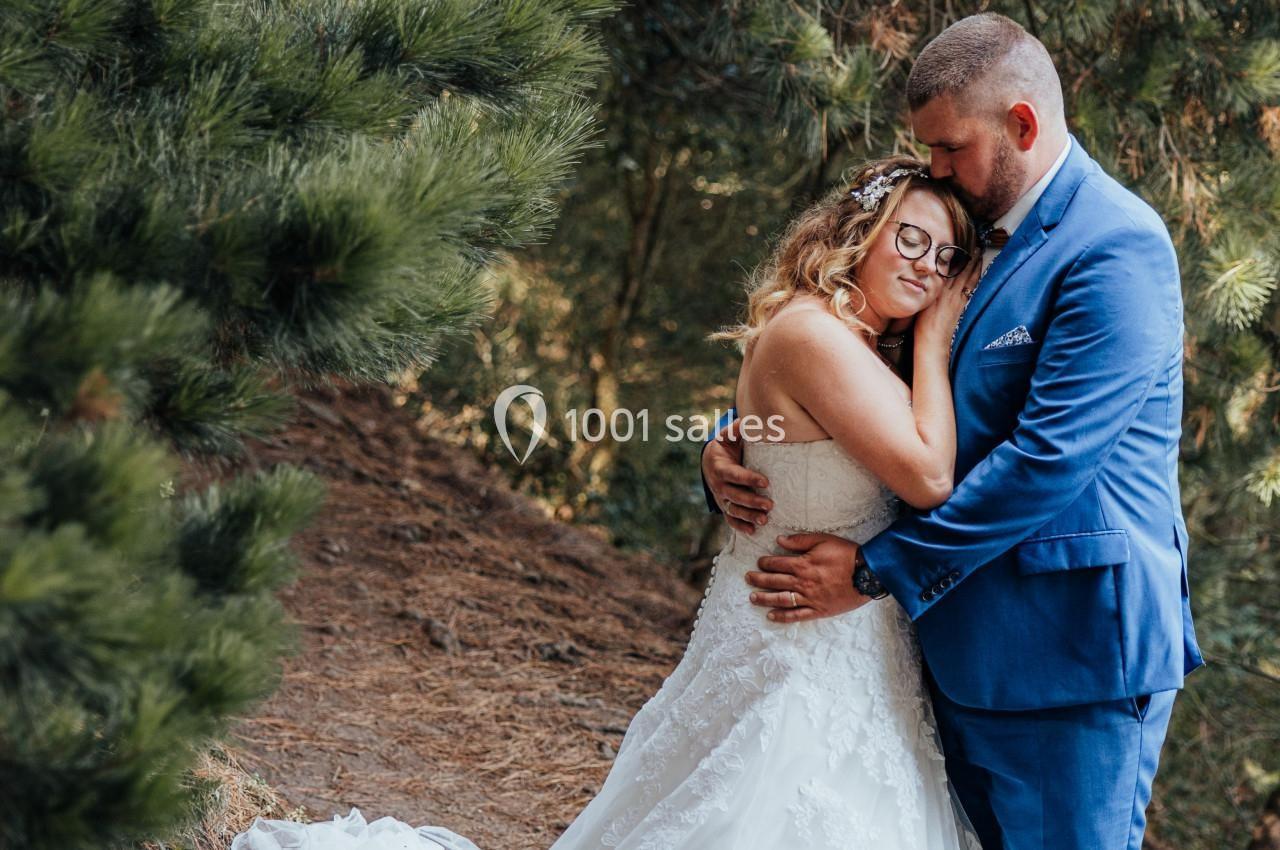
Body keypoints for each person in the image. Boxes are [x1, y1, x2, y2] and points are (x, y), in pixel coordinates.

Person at [230, 157, 982, 849]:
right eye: (910, 239)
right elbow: (927, 476)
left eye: (945, 258)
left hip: (843, 646)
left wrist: (722, 443)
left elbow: (792, 440)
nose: (926, 266)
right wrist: (935, 337)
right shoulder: (816, 333)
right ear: (860, 232)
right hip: (796, 647)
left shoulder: (846, 338)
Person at [702, 12, 1203, 850]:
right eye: (926, 149)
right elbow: (859, 364)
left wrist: (874, 571)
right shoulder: (960, 234)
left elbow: (1049, 460)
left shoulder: (1115, 247)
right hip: (940, 651)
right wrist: (741, 440)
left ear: (1023, 124)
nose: (933, 168)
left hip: (1067, 659)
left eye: (950, 148)